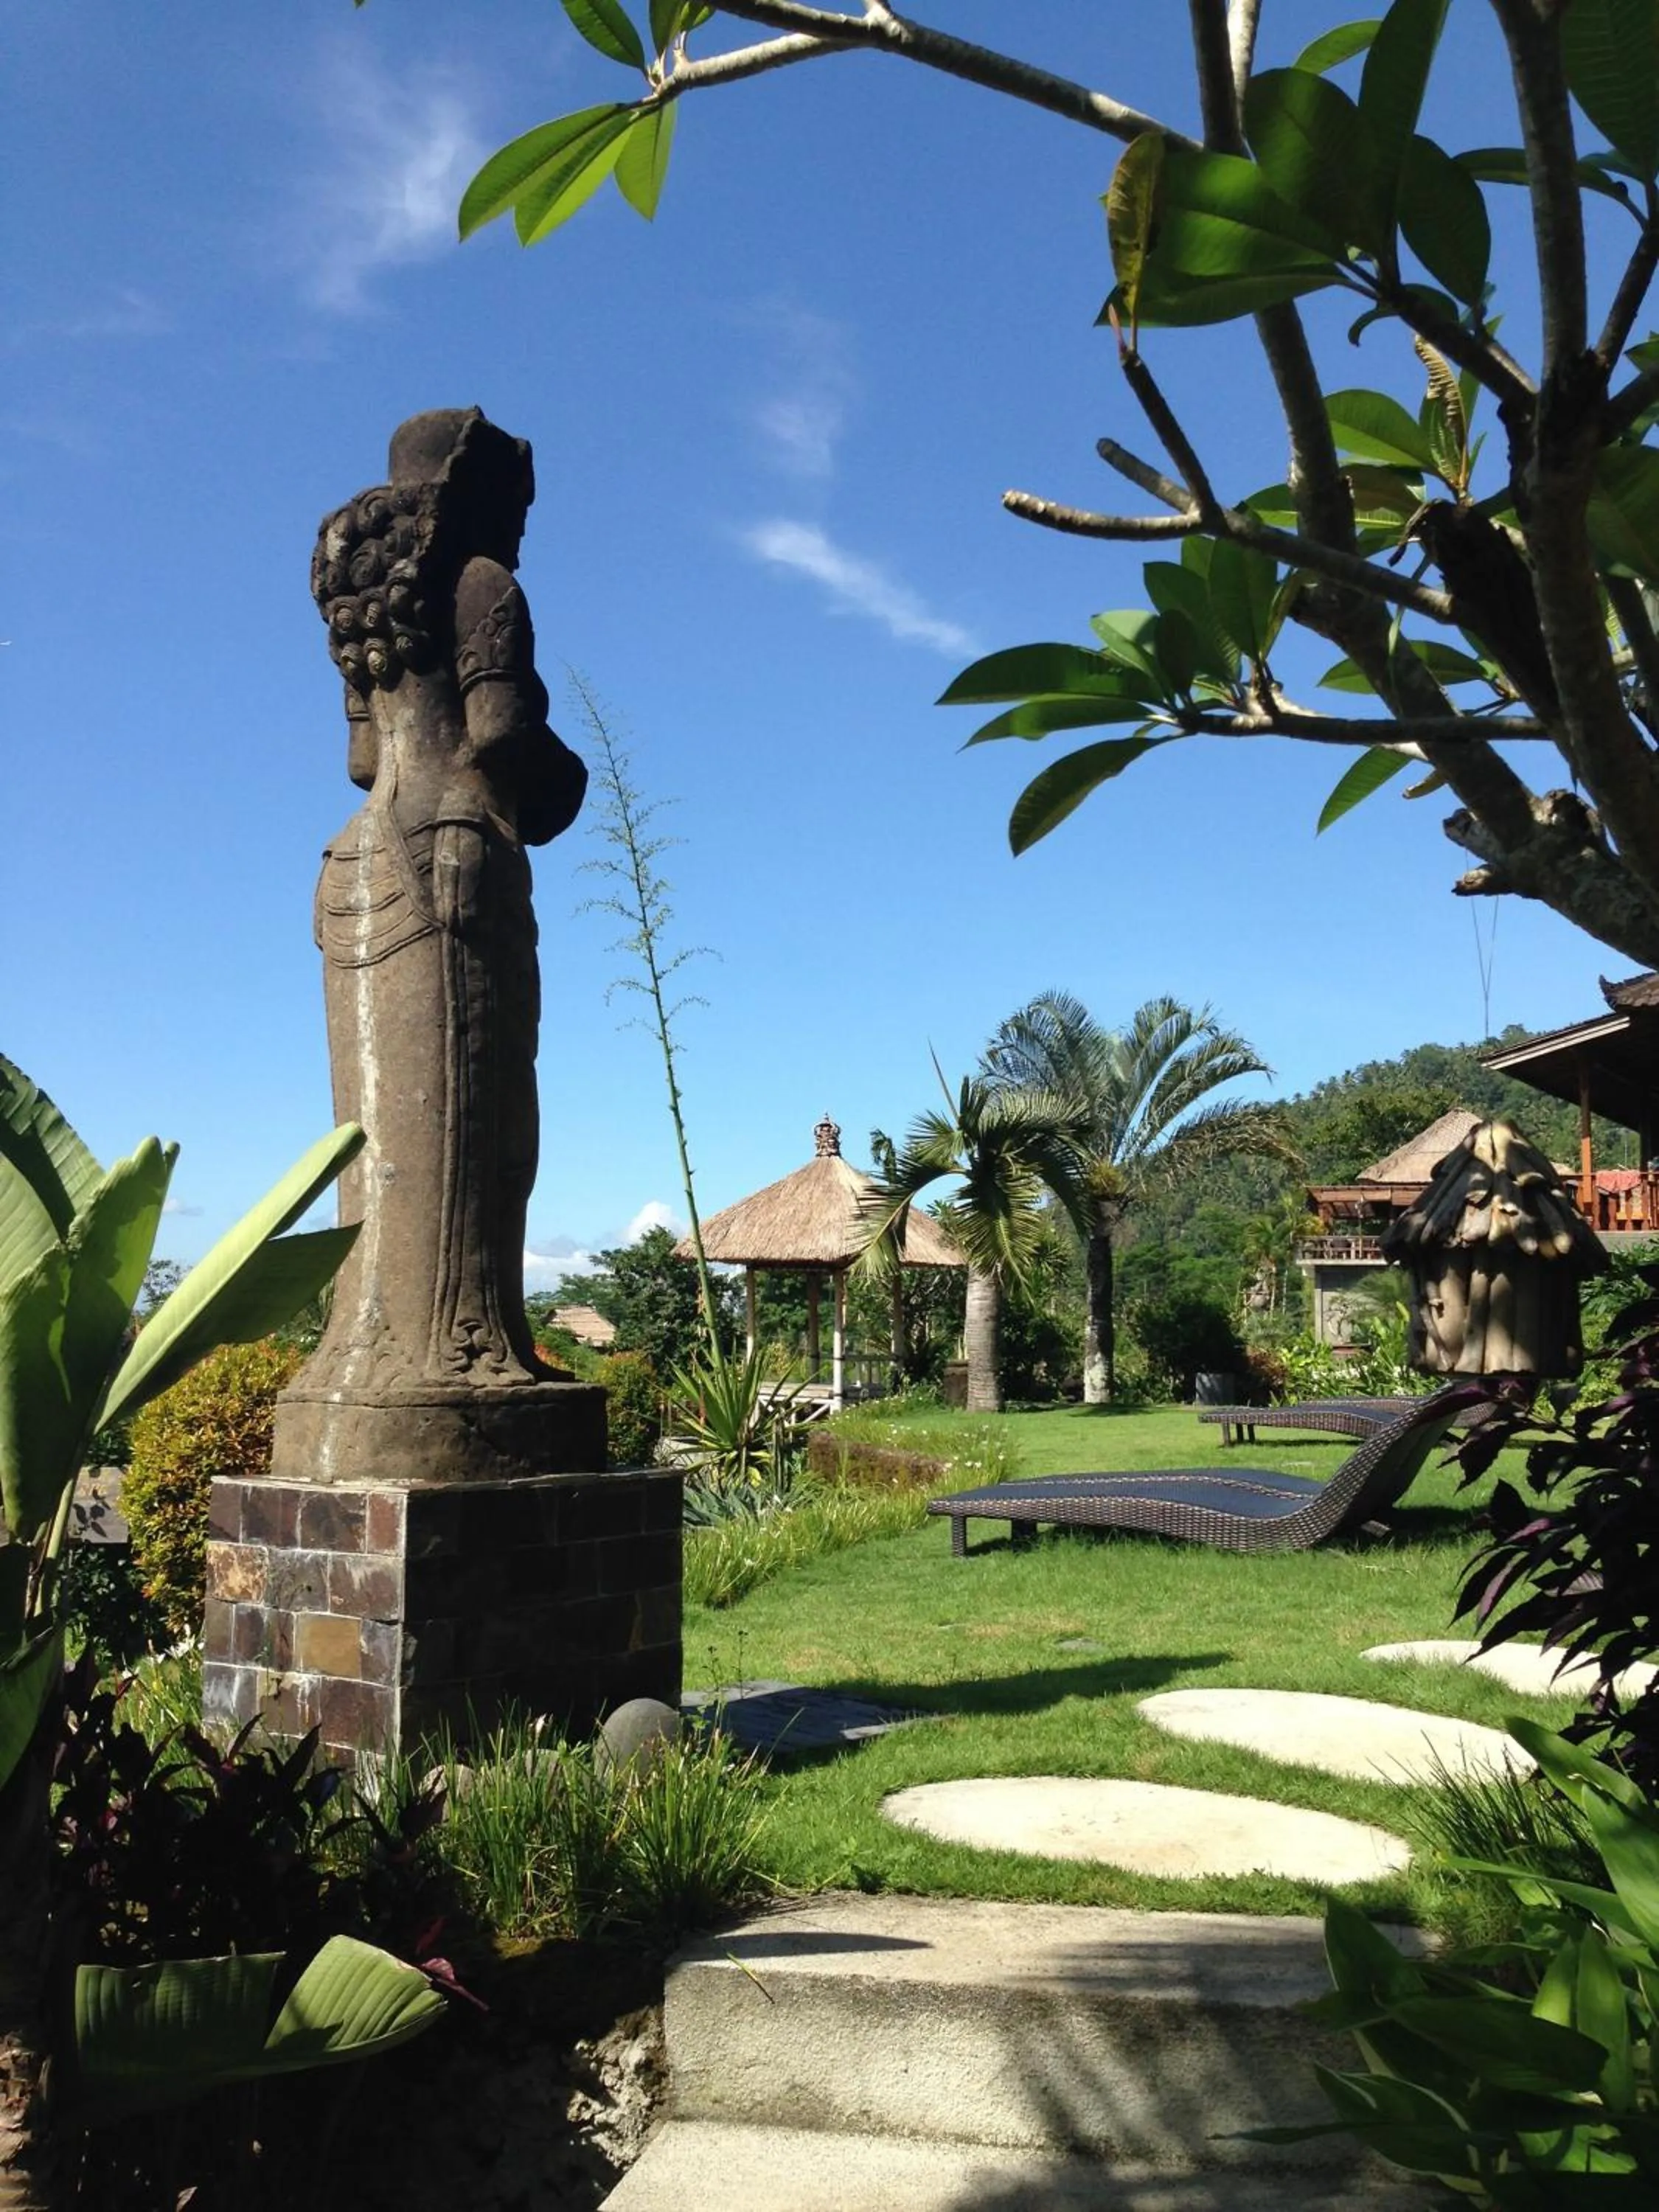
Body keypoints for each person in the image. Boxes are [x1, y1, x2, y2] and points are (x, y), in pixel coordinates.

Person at [301, 408, 586, 1402]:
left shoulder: (370, 607)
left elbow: (363, 758)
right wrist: (572, 779)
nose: (519, 534)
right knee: (482, 1123)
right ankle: (464, 1352)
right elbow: (502, 735)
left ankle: (367, 1358)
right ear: (472, 496)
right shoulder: (479, 586)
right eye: (514, 508)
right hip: (457, 850)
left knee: (386, 1126)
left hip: (361, 858)